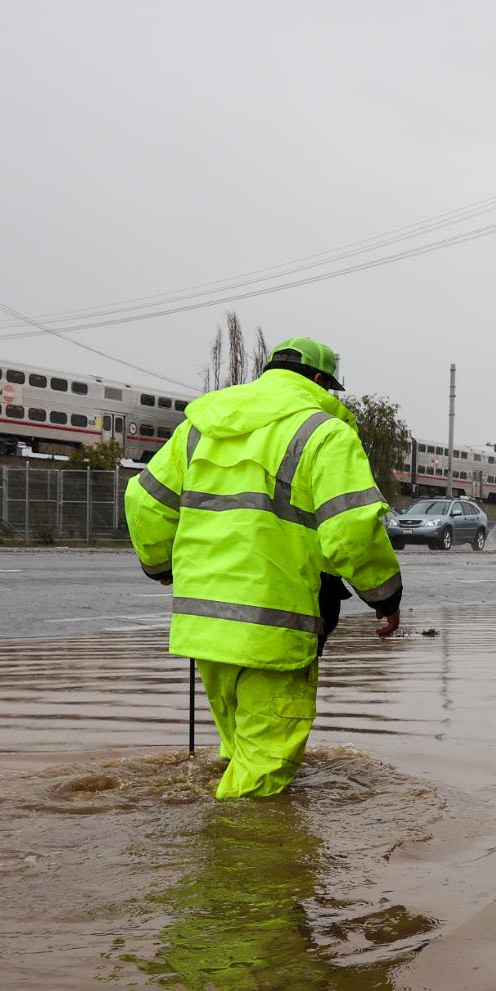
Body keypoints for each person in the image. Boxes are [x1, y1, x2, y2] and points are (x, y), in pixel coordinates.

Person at [126, 337, 402, 799]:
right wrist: (385, 596)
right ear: (319, 382)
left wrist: (160, 566)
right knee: (263, 772)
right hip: (276, 624)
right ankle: (242, 857)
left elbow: (143, 500)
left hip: (205, 626)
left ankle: (213, 858)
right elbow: (352, 528)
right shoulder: (325, 434)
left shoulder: (201, 427)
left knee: (238, 746)